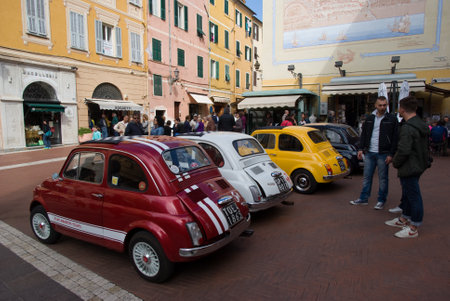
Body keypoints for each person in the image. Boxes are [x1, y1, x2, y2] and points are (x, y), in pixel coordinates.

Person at [385, 96, 429, 238]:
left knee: (413, 195)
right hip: (418, 164)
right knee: (410, 194)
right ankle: (405, 217)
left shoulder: (407, 127)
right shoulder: (420, 124)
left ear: (401, 109)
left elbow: (404, 150)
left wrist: (396, 162)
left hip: (410, 165)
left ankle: (413, 226)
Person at [350, 96, 399, 210]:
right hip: (370, 152)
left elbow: (395, 138)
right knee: (367, 177)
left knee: (383, 178)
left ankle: (381, 200)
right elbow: (364, 134)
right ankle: (363, 198)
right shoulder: (370, 118)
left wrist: (391, 154)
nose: (382, 107)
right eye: (380, 105)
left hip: (383, 153)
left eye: (384, 105)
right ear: (375, 106)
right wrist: (361, 148)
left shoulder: (391, 119)